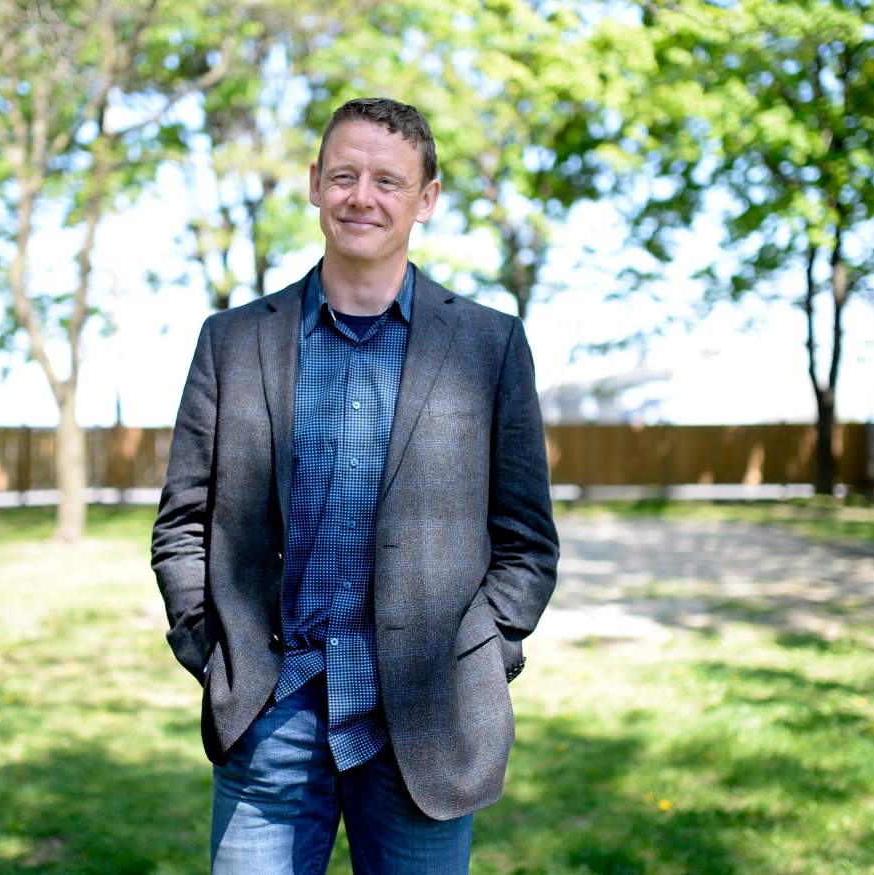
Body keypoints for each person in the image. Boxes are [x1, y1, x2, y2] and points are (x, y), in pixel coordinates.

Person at [151, 97, 559, 874]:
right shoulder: (234, 343)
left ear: (427, 199)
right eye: (343, 175)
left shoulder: (489, 345)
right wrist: (216, 654)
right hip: (271, 716)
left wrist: (482, 652)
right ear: (314, 184)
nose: (360, 197)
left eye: (387, 180)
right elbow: (182, 526)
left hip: (425, 720)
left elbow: (528, 544)